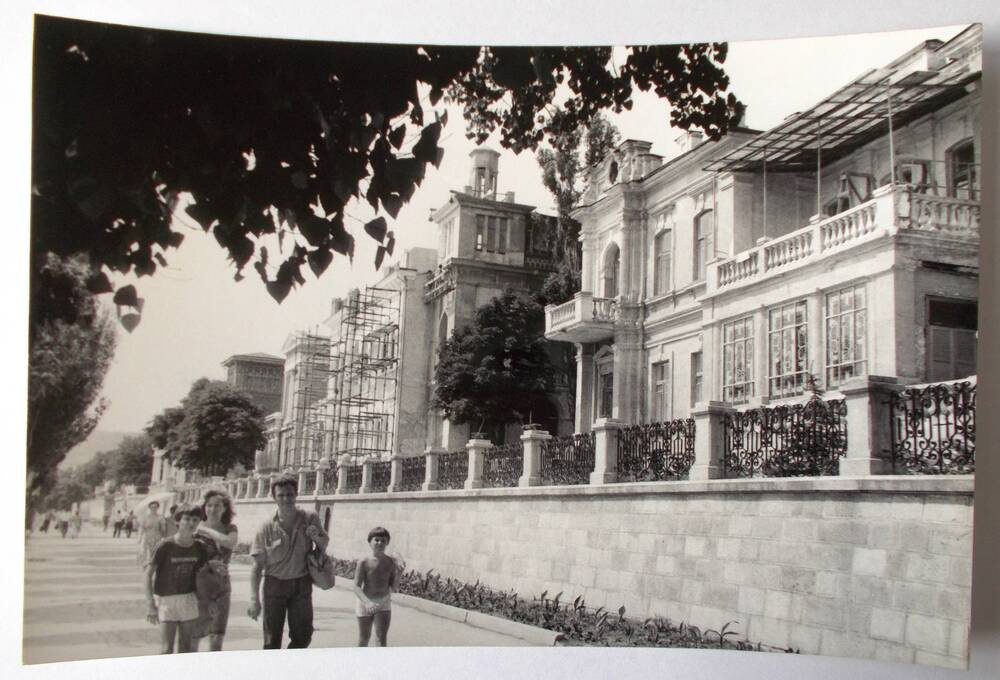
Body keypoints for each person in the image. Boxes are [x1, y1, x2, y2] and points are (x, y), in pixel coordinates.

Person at [248, 474, 329, 649]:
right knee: (271, 640)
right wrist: (254, 599)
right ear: (274, 497)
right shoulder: (266, 526)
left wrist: (316, 536)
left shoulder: (309, 517)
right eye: (281, 495)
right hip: (274, 585)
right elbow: (257, 566)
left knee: (303, 636)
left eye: (290, 494)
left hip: (301, 584)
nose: (286, 499)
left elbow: (324, 544)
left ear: (296, 494)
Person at [144, 504, 209, 654]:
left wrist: (205, 605)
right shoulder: (165, 546)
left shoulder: (200, 548)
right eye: (186, 519)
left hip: (189, 599)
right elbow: (147, 574)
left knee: (186, 649)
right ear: (177, 522)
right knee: (166, 649)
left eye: (195, 519)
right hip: (167, 600)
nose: (191, 523)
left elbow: (204, 577)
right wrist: (150, 605)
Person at [194, 490, 239, 651]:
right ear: (204, 508)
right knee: (195, 636)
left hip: (222, 588)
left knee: (217, 636)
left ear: (225, 508)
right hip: (199, 588)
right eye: (209, 505)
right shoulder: (194, 529)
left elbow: (230, 543)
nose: (212, 509)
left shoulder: (230, 528)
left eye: (217, 505)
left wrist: (206, 531)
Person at [352, 526, 397, 647]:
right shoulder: (364, 562)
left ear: (387, 543)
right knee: (364, 638)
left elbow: (394, 587)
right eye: (376, 540)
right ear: (370, 542)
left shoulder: (391, 562)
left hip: (383, 603)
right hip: (365, 603)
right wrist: (367, 603)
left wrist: (400, 573)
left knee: (381, 639)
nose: (380, 543)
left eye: (383, 540)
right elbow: (356, 587)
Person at [137, 502, 166, 567]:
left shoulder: (160, 517)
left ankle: (154, 568)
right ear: (149, 508)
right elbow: (142, 528)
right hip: (147, 537)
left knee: (156, 553)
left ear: (158, 508)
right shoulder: (145, 517)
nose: (154, 508)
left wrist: (163, 537)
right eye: (152, 507)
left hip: (157, 537)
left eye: (155, 507)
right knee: (146, 553)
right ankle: (146, 568)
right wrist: (139, 538)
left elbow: (163, 529)